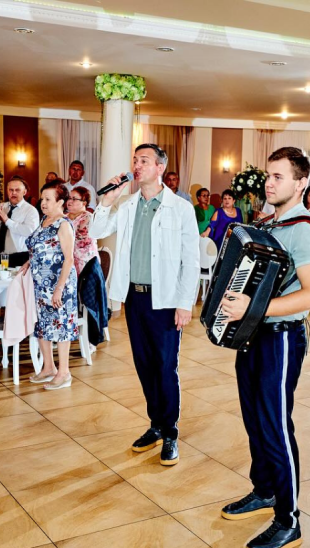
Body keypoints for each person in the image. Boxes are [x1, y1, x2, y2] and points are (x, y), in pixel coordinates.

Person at [219, 147, 310, 548]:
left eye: (279, 176)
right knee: (255, 419)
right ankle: (264, 490)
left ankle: (289, 519)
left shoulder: (305, 229)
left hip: (281, 338)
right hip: (253, 334)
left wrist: (254, 307)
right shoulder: (269, 223)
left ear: (300, 183)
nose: (269, 183)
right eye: (268, 175)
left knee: (276, 424)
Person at [89, 143, 199, 467]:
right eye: (135, 160)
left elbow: (191, 261)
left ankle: (170, 431)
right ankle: (155, 425)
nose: (137, 165)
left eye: (144, 161)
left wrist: (185, 303)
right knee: (144, 365)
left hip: (165, 300)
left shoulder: (180, 208)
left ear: (160, 167)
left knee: (165, 366)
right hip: (135, 298)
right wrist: (107, 199)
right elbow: (96, 230)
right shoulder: (126, 205)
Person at [25, 181, 78, 390]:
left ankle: (64, 373)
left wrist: (59, 288)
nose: (43, 203)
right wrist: (28, 263)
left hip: (59, 283)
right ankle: (48, 368)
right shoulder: (44, 221)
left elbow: (69, 258)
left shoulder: (63, 224)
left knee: (61, 325)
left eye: (48, 199)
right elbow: (40, 249)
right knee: (43, 325)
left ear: (60, 202)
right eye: (42, 199)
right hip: (41, 285)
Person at [0, 176, 40, 268]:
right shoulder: (1, 207)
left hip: (20, 257)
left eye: (17, 190)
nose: (13, 193)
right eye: (11, 190)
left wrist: (7, 221)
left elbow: (30, 231)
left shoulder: (30, 210)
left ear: (24, 192)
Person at [66, 187, 99, 276]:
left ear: (84, 203)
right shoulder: (63, 217)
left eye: (74, 199)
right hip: (67, 260)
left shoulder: (88, 218)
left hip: (85, 262)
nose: (70, 201)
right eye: (69, 198)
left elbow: (80, 242)